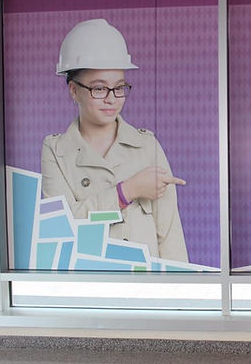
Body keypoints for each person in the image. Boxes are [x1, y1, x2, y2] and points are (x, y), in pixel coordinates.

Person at [41, 19, 188, 262]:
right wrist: (126, 192)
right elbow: (63, 226)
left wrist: (177, 290)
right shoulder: (56, 151)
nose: (112, 99)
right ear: (73, 90)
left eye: (119, 87)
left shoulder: (147, 145)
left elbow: (170, 232)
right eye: (99, 89)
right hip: (89, 280)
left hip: (146, 284)